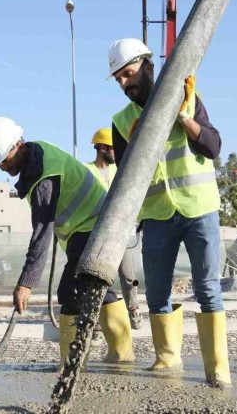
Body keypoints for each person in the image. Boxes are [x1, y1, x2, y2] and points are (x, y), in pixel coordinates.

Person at [107, 38, 229, 388]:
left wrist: (186, 119)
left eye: (128, 74)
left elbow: (214, 146)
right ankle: (166, 358)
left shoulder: (186, 97)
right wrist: (132, 144)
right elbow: (125, 178)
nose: (124, 83)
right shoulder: (121, 121)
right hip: (158, 215)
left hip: (198, 207)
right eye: (118, 79)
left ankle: (217, 369)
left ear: (147, 66)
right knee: (157, 291)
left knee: (207, 288)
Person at [0, 117, 134, 368]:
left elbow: (42, 231)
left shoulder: (44, 176)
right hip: (90, 226)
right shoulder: (37, 153)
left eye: (4, 160)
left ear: (17, 145)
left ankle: (73, 364)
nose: (1, 167)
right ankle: (120, 353)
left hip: (94, 226)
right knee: (95, 286)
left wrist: (26, 283)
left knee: (71, 291)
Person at [83, 128, 143, 330]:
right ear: (101, 148)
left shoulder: (120, 170)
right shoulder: (86, 171)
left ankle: (133, 311)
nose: (116, 152)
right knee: (98, 280)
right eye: (113, 148)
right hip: (96, 235)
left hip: (119, 233)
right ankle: (97, 322)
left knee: (128, 276)